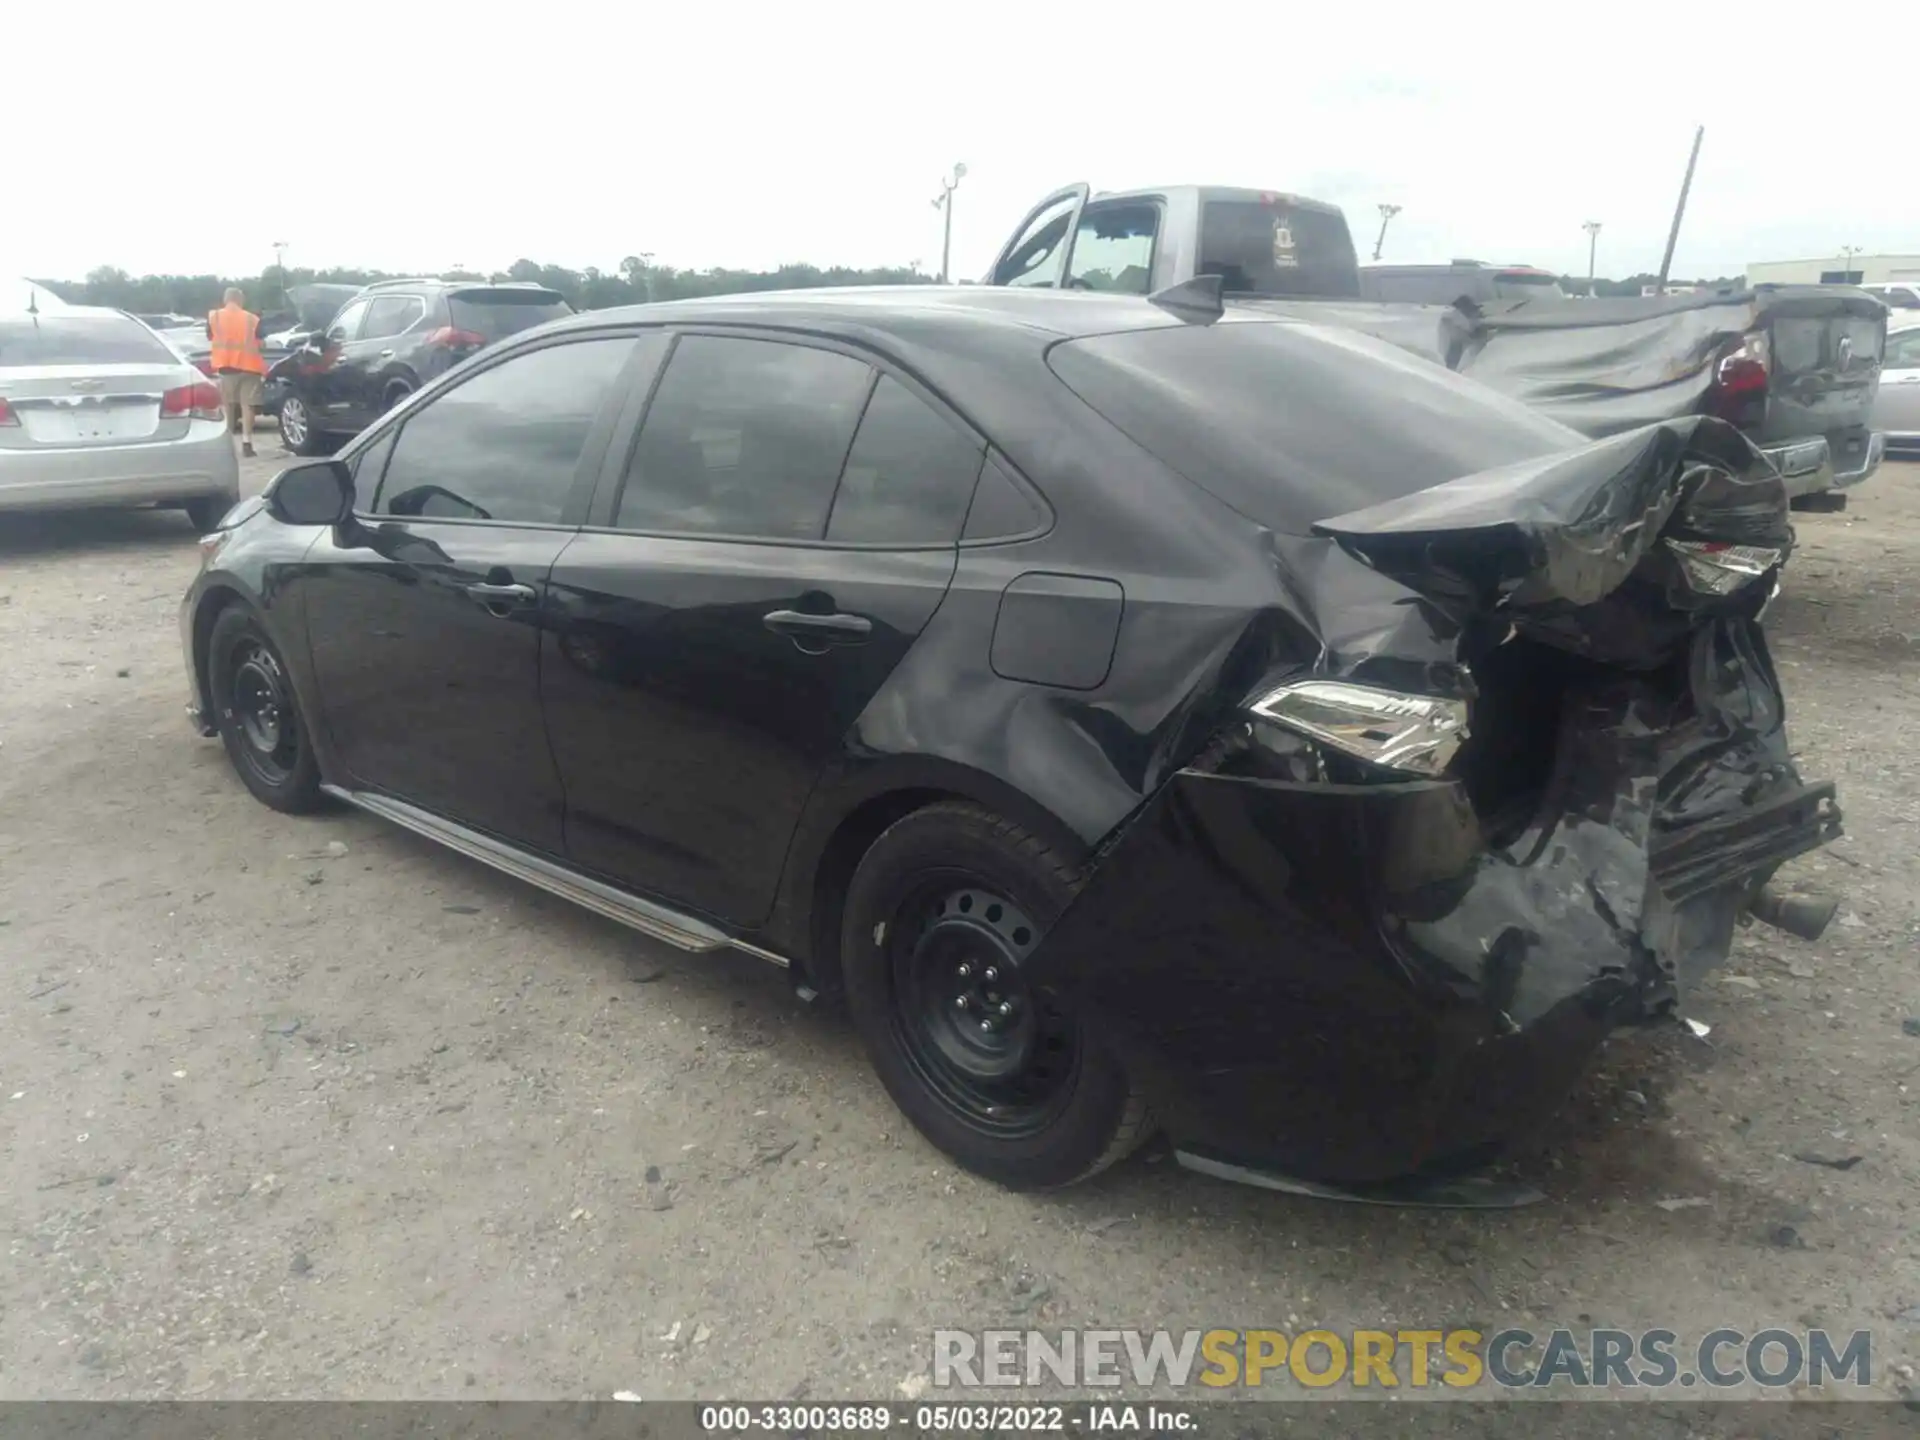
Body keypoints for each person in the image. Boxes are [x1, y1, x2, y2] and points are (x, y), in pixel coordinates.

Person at [206, 287, 268, 457]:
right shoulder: (252, 319)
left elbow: (211, 337)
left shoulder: (215, 317)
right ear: (241, 300)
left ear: (226, 300)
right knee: (247, 406)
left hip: (226, 368)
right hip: (250, 367)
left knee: (228, 406)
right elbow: (262, 344)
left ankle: (228, 443)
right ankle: (247, 443)